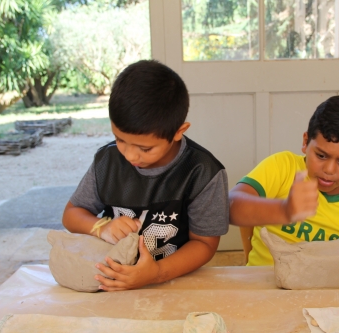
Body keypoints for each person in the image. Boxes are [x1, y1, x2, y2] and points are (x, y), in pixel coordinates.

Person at [62, 60, 229, 291]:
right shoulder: (108, 161)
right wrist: (102, 227)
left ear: (179, 131)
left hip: (173, 281)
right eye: (120, 139)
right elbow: (71, 214)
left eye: (145, 148)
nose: (130, 155)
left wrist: (156, 274)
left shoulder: (202, 172)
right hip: (113, 277)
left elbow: (204, 244)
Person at [229, 95, 339, 266]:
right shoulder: (283, 167)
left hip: (323, 290)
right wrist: (284, 211)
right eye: (321, 155)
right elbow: (230, 206)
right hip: (264, 285)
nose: (329, 170)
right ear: (305, 141)